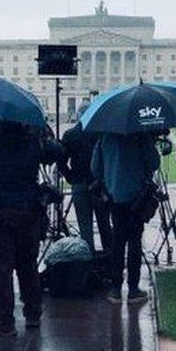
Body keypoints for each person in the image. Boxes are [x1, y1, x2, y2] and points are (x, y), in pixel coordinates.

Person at [0, 118, 61, 336]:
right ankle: (33, 314)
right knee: (28, 266)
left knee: (1, 269)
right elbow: (55, 152)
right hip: (27, 211)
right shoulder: (32, 143)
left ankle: (5, 322)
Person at [92, 131, 160, 303]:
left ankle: (115, 288)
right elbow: (153, 163)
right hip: (137, 196)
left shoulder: (105, 137)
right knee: (135, 242)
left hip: (114, 196)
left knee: (117, 241)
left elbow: (95, 169)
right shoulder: (141, 136)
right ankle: (133, 288)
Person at [61, 104, 112, 253]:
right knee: (104, 223)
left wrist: (70, 177)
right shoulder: (101, 133)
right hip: (99, 184)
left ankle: (88, 260)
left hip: (79, 183)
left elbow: (61, 161)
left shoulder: (70, 134)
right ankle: (109, 258)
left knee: (85, 227)